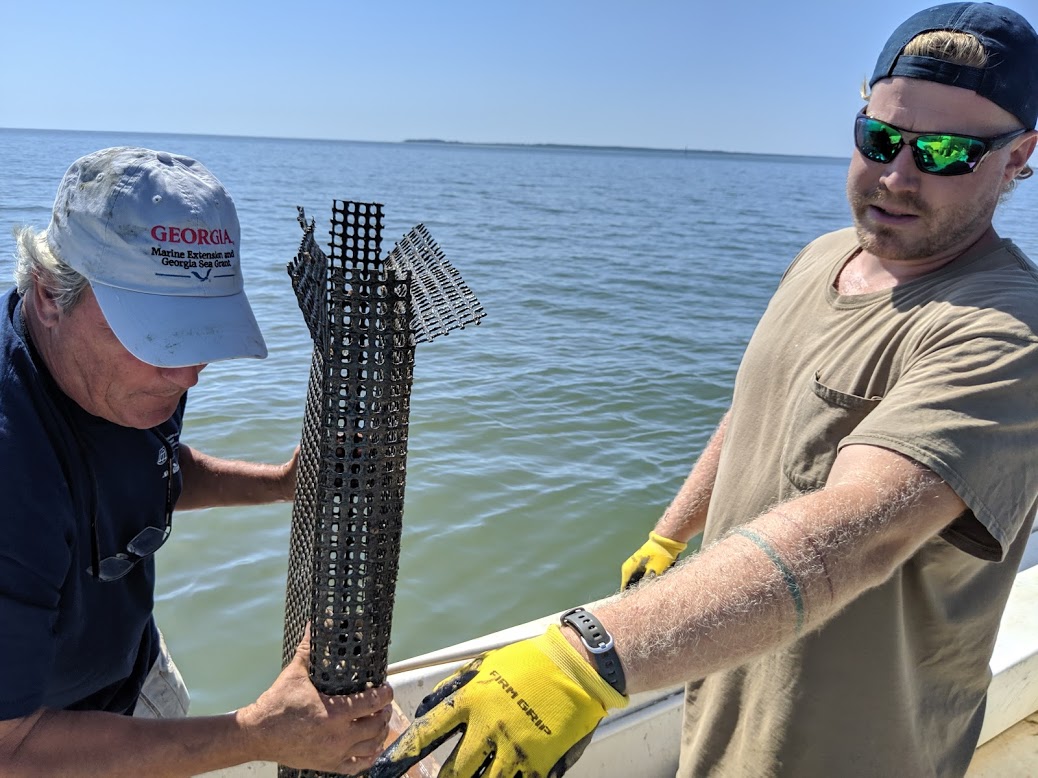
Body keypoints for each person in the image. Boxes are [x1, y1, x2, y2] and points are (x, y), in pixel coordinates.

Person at [371, 3, 1038, 777]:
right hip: (725, 691)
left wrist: (589, 657)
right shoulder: (825, 256)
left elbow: (861, 530)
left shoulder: (1004, 332)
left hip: (854, 745)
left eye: (948, 154)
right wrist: (669, 535)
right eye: (881, 138)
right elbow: (760, 408)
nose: (896, 176)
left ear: (1021, 156)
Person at [0, 146, 393, 776]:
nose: (186, 374)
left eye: (197, 334)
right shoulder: (12, 474)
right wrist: (255, 734)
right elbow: (10, 749)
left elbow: (150, 468)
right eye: (153, 336)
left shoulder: (122, 382)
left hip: (133, 670)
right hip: (42, 737)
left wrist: (282, 484)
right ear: (50, 294)